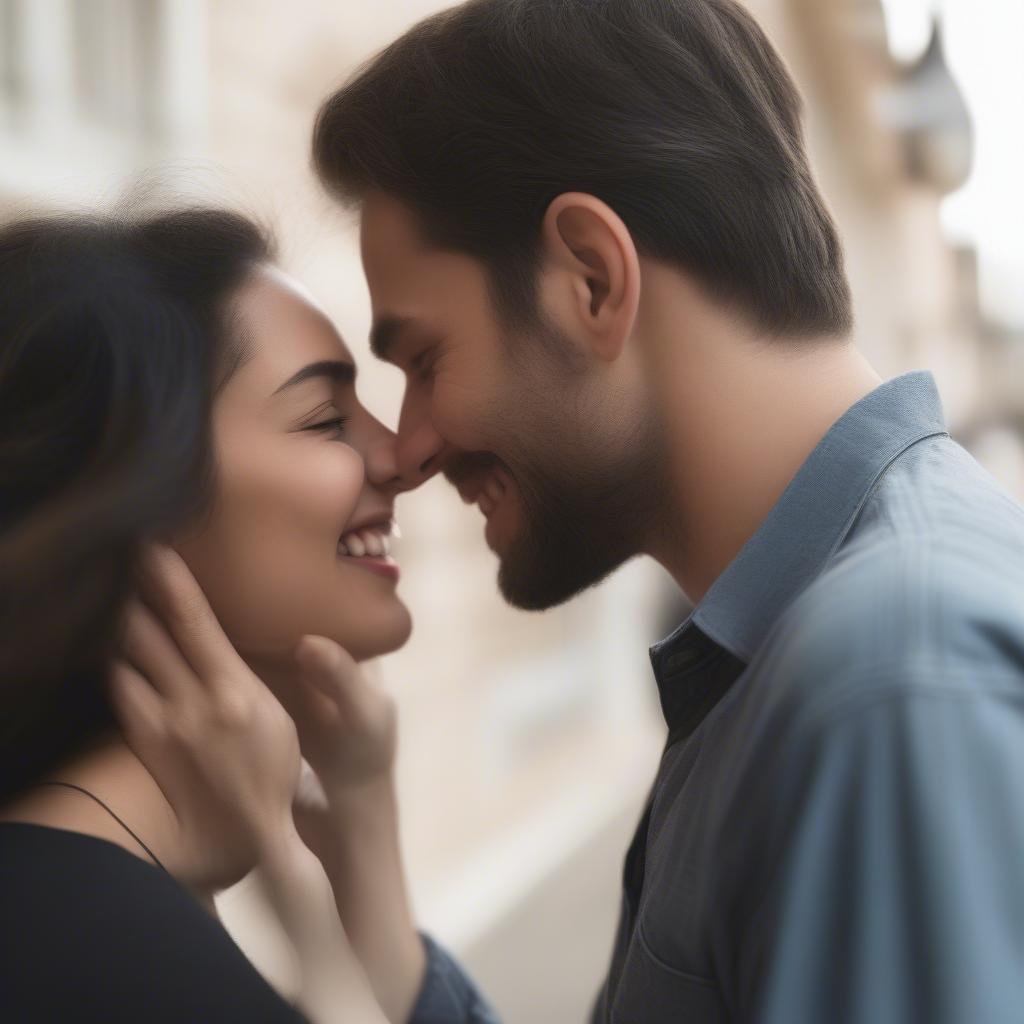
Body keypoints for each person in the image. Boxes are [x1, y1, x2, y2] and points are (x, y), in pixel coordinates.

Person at [309, 0, 1024, 1020]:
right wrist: (361, 859)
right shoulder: (800, 646)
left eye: (424, 360)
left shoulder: (885, 687)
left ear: (591, 278)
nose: (410, 445)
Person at [0, 209, 494, 1023]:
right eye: (326, 420)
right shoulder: (96, 943)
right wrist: (292, 887)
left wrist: (359, 812)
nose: (402, 454)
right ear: (139, 500)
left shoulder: (91, 890)